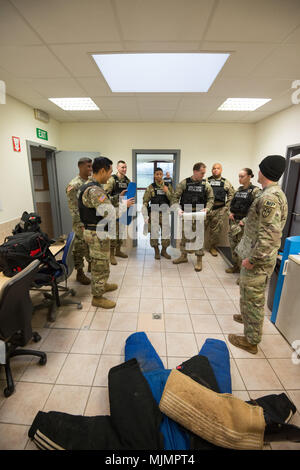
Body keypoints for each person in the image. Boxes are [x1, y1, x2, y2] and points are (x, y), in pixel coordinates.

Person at [228, 155, 288, 354]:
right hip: (258, 254)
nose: (258, 171)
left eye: (260, 168)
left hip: (258, 259)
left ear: (264, 172)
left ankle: (251, 340)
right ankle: (247, 316)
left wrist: (253, 260)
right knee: (250, 294)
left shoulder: (269, 198)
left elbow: (269, 236)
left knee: (253, 297)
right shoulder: (273, 193)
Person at [78, 157, 134, 309]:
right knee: (99, 265)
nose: (110, 175)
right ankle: (97, 297)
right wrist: (125, 205)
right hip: (96, 233)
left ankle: (102, 285)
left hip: (98, 232)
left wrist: (118, 197)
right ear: (102, 170)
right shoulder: (94, 190)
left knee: (102, 263)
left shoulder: (93, 187)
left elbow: (104, 203)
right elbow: (108, 212)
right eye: (109, 171)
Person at [172, 162, 214, 271]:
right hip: (187, 214)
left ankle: (199, 260)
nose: (203, 175)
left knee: (199, 237)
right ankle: (183, 256)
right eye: (201, 173)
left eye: (204, 173)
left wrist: (207, 208)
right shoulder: (184, 183)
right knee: (185, 235)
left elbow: (211, 199)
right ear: (195, 171)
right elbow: (175, 198)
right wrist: (178, 209)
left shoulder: (206, 184)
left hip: (200, 214)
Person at [226, 168, 261, 274]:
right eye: (239, 176)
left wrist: (245, 220)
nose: (239, 179)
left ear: (249, 176)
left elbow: (256, 210)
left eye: (242, 176)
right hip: (234, 223)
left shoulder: (256, 191)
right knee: (233, 246)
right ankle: (236, 266)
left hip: (245, 225)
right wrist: (230, 213)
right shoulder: (238, 190)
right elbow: (230, 204)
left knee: (243, 249)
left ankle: (243, 272)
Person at [66, 157, 92, 285]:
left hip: (90, 221)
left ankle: (91, 265)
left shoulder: (91, 182)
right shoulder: (74, 185)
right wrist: (80, 224)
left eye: (91, 166)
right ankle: (80, 273)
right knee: (79, 247)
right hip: (80, 223)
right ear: (80, 167)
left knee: (91, 245)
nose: (90, 168)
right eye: (88, 166)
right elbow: (73, 207)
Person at [142, 167, 174, 260]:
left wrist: (167, 191)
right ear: (154, 175)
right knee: (154, 233)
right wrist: (145, 215)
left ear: (163, 175)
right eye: (157, 174)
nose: (159, 176)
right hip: (154, 213)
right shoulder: (150, 187)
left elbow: (173, 199)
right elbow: (145, 201)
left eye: (160, 174)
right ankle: (156, 251)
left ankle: (164, 251)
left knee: (166, 234)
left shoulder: (168, 186)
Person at [104, 160, 131, 265]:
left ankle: (118, 251)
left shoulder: (128, 181)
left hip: (123, 210)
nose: (124, 169)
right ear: (117, 168)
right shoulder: (111, 180)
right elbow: (105, 197)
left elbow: (129, 195)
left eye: (125, 167)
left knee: (121, 232)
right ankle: (111, 254)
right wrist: (119, 198)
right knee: (113, 233)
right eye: (122, 167)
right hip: (113, 210)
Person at [207, 163, 235, 256]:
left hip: (219, 209)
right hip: (207, 209)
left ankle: (212, 247)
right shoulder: (206, 181)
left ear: (221, 170)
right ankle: (196, 247)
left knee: (216, 231)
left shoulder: (225, 182)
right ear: (211, 170)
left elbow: (231, 195)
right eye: (214, 168)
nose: (215, 170)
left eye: (218, 168)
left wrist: (226, 208)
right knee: (198, 227)